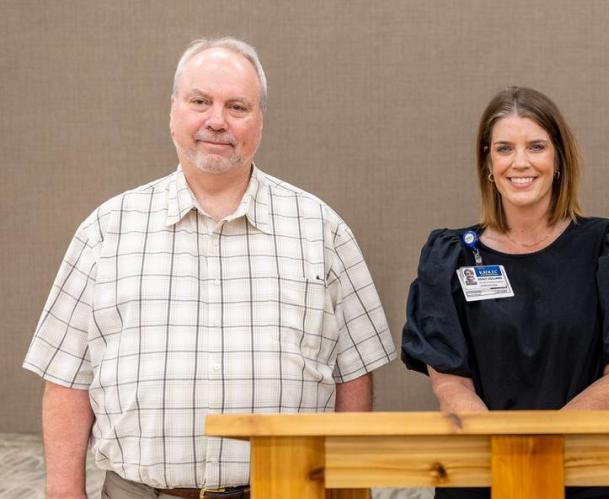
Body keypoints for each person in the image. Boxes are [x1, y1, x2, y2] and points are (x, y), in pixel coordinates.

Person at [23, 37, 396, 499]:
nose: (216, 121)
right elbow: (65, 380)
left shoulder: (322, 231)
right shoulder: (105, 230)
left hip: (290, 491)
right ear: (173, 109)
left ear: (259, 119)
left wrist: (347, 489)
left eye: (237, 106)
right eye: (200, 101)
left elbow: (353, 374)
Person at [401, 86, 609, 499]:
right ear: (488, 163)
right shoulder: (450, 256)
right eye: (505, 148)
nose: (520, 162)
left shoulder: (608, 246)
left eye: (537, 146)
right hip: (485, 469)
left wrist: (543, 443)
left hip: (594, 471)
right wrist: (508, 452)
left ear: (559, 159)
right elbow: (450, 385)